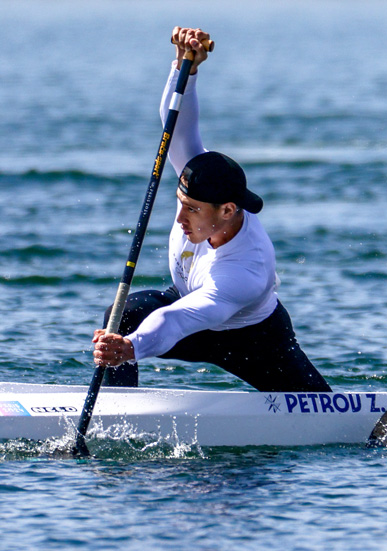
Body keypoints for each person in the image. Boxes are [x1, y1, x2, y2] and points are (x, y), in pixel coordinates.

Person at [92, 27, 331, 393]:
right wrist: (185, 67)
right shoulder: (197, 178)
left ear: (227, 211)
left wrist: (132, 348)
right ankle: (119, 407)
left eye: (192, 210)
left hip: (251, 340)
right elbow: (176, 125)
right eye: (180, 203)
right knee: (119, 316)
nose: (179, 218)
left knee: (317, 408)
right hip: (188, 306)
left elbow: (178, 320)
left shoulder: (247, 267)